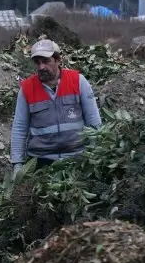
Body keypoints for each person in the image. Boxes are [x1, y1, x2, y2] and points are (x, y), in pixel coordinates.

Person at [10, 38, 102, 175]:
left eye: (46, 61)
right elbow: (19, 128)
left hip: (77, 158)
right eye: (38, 62)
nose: (41, 67)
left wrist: (97, 155)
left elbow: (94, 121)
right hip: (41, 162)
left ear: (58, 60)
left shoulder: (78, 81)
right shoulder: (27, 89)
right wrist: (17, 164)